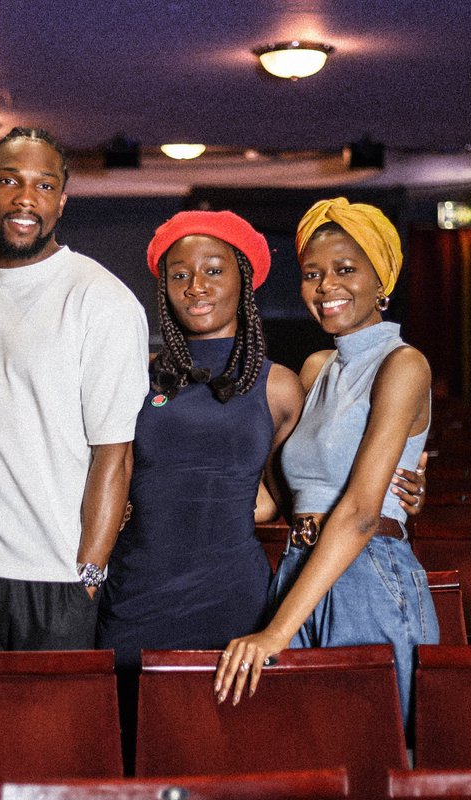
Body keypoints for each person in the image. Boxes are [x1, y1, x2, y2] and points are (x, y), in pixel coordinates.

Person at [0, 127, 149, 651]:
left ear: (62, 201)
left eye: (44, 186)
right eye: (9, 181)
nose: (26, 198)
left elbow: (114, 456)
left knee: (49, 733)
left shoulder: (102, 300)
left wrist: (89, 574)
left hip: (56, 572)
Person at [214, 197, 436, 723]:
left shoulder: (405, 364)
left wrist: (274, 632)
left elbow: (361, 511)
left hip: (369, 576)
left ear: (381, 280)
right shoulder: (315, 369)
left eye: (345, 270)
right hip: (298, 567)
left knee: (376, 755)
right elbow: (272, 500)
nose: (326, 286)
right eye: (313, 273)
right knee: (309, 751)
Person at [97, 210, 305, 668]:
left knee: (228, 738)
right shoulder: (136, 374)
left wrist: (399, 490)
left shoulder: (279, 386)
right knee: (129, 734)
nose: (196, 286)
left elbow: (284, 495)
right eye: (180, 275)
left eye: (213, 270)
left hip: (233, 602)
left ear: (243, 280)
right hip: (136, 594)